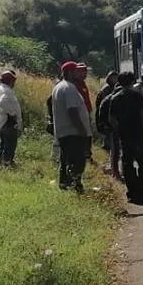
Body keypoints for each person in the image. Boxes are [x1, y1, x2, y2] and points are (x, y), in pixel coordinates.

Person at [107, 71, 143, 204]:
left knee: (128, 164)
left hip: (125, 136)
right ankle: (142, 192)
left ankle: (132, 193)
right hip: (138, 134)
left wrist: (120, 130)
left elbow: (112, 119)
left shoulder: (115, 98)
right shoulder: (136, 96)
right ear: (133, 81)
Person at [51, 61, 94, 193]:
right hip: (72, 132)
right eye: (76, 71)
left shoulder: (59, 87)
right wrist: (81, 129)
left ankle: (65, 184)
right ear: (70, 72)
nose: (79, 73)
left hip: (65, 131)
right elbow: (72, 110)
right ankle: (74, 185)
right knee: (77, 160)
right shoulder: (69, 88)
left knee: (66, 159)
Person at [0, 71, 22, 168]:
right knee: (10, 144)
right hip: (8, 121)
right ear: (10, 81)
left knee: (2, 143)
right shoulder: (6, 90)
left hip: (1, 120)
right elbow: (3, 102)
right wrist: (12, 114)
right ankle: (7, 165)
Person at [96, 72, 120, 178]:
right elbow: (103, 108)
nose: (115, 79)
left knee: (113, 147)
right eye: (113, 77)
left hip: (110, 123)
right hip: (108, 124)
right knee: (110, 146)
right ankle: (110, 167)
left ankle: (112, 167)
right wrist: (105, 124)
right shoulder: (106, 91)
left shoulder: (112, 91)